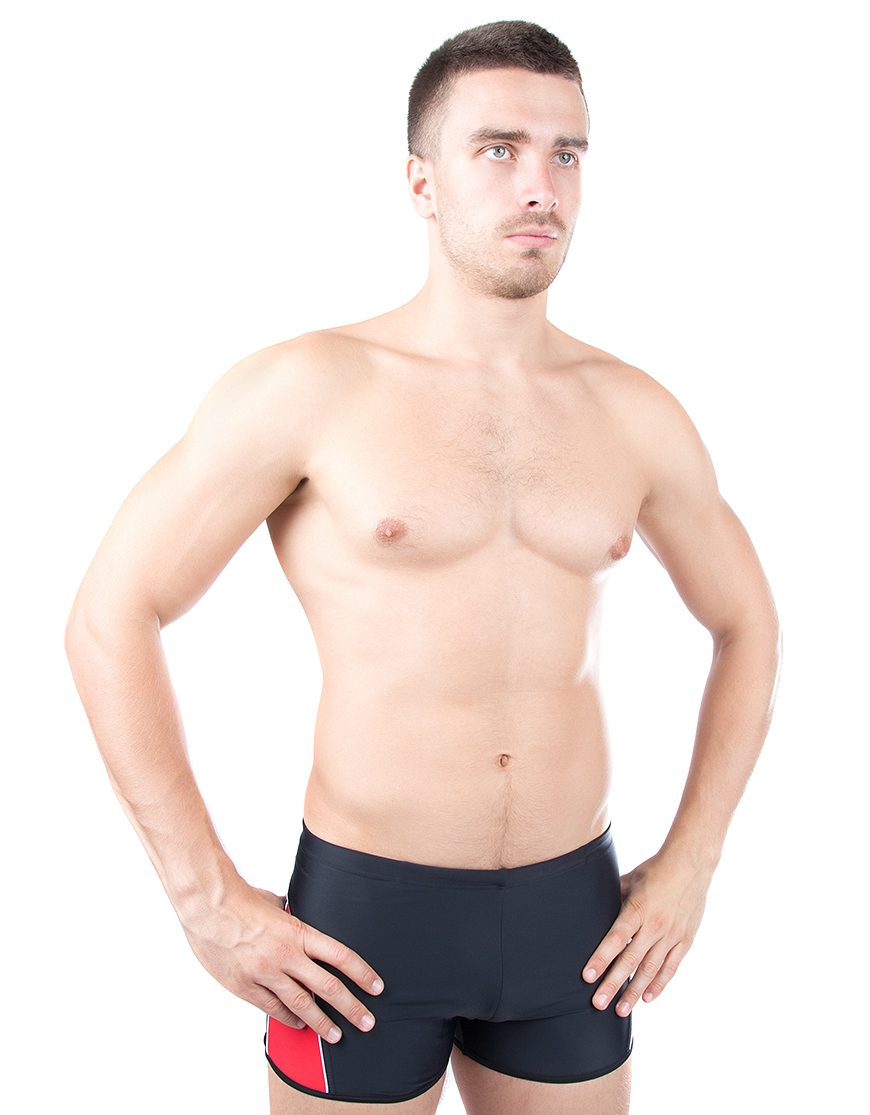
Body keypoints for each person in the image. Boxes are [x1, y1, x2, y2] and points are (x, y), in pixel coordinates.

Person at [64, 18, 782, 1115]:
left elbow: (748, 622)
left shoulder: (635, 411)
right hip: (361, 923)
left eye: (566, 153)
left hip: (575, 921)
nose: (539, 185)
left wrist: (693, 860)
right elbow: (111, 611)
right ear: (421, 182)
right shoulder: (310, 386)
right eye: (499, 148)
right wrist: (203, 896)